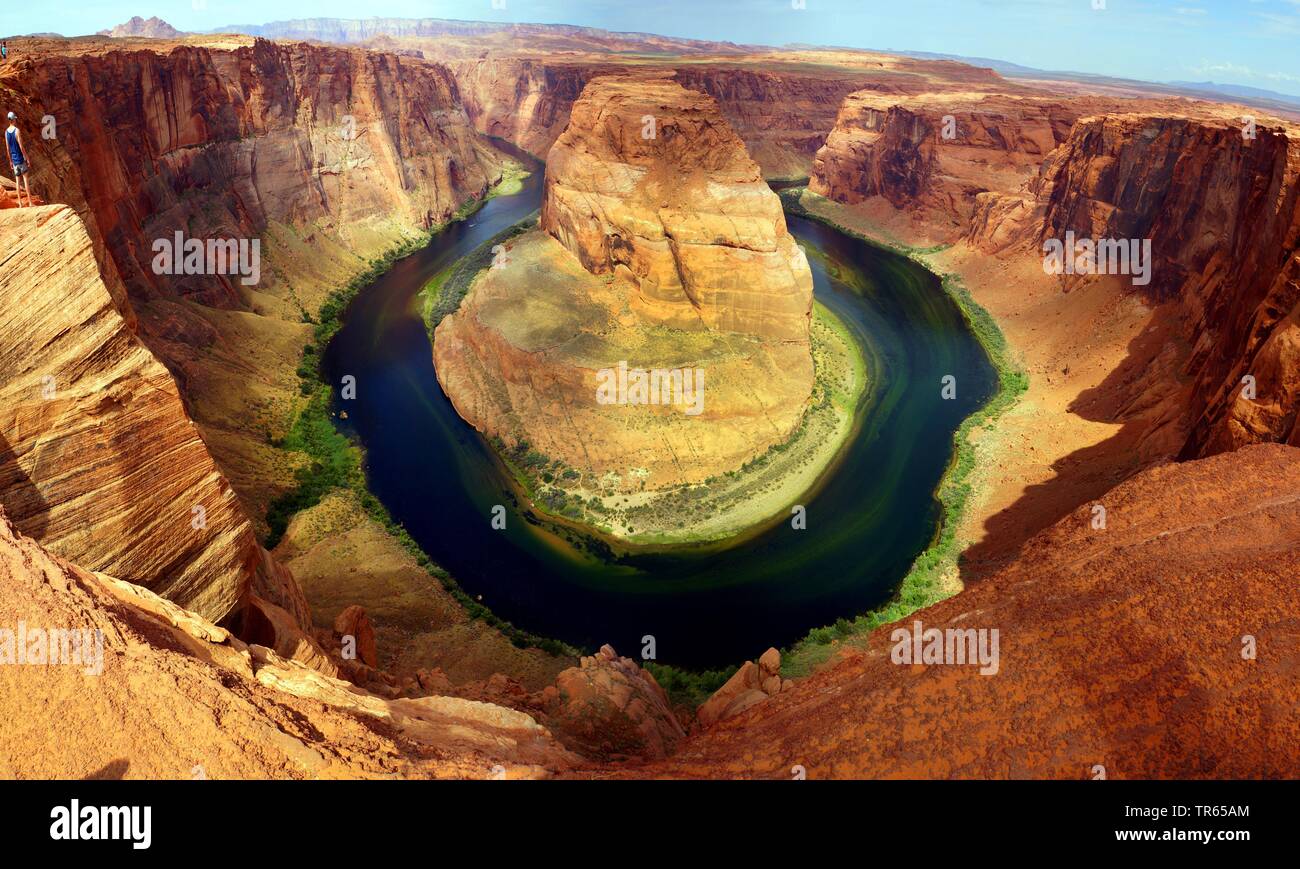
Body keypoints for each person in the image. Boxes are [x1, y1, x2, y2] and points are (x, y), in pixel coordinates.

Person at [6, 112, 33, 207]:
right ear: (13, 120)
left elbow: (8, 149)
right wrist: (27, 158)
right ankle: (30, 202)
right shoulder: (17, 131)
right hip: (21, 159)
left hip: (14, 161)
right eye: (15, 119)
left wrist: (10, 161)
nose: (16, 120)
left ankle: (20, 204)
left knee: (17, 182)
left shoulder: (6, 132)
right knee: (25, 180)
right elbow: (21, 147)